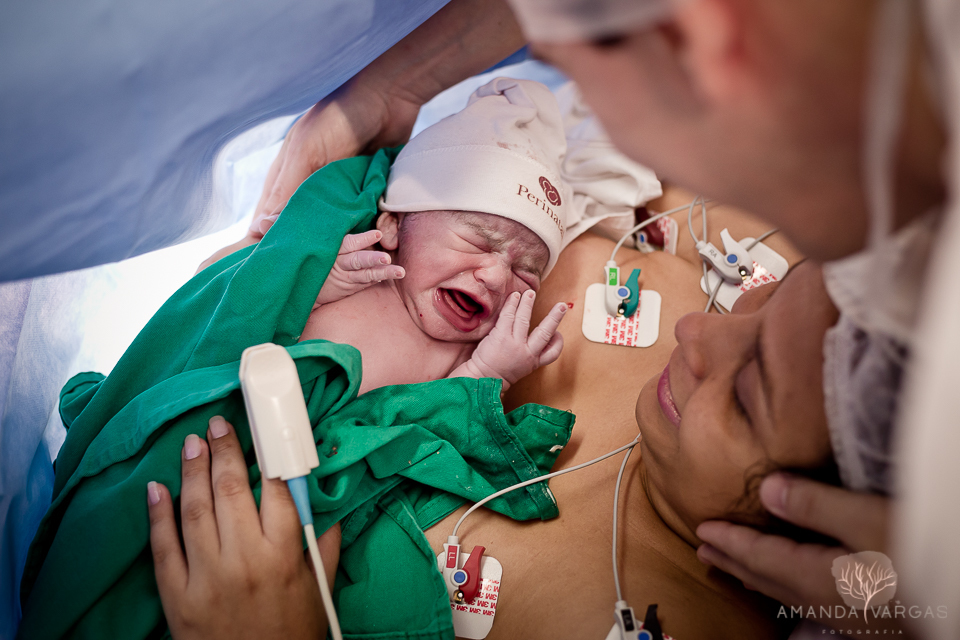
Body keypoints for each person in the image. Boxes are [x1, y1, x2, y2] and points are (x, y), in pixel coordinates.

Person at [226, 0, 953, 635]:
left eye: (744, 394)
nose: (696, 329)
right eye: (761, 300)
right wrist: (387, 97)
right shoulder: (807, 239)